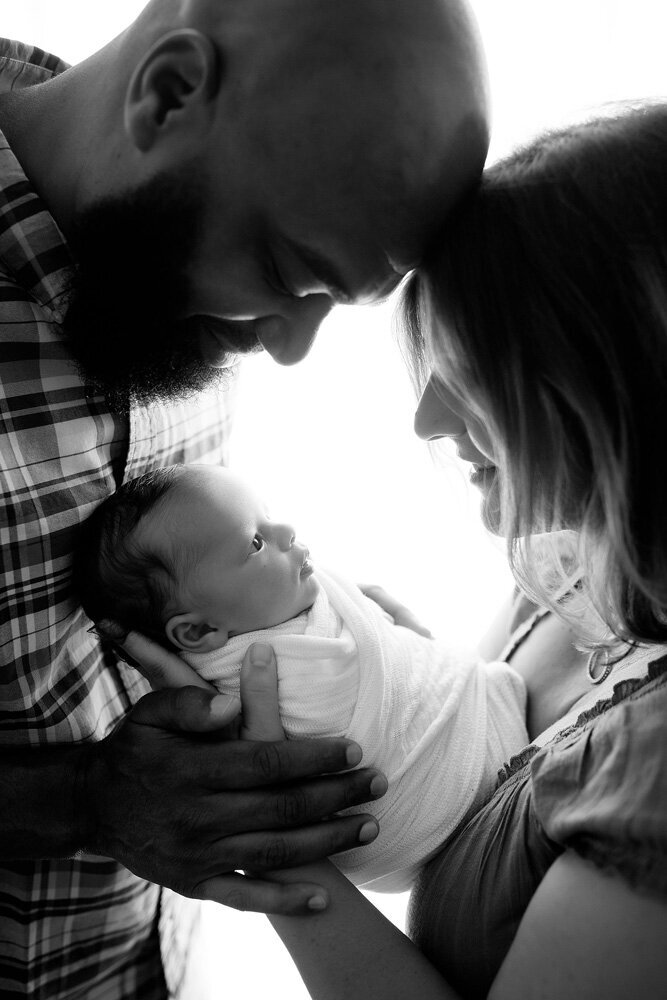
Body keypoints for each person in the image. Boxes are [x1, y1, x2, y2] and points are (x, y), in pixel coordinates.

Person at [0, 0, 491, 996]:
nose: (285, 346)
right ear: (169, 93)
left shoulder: (165, 277)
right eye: (281, 271)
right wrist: (86, 799)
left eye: (330, 300)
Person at [173, 104, 664, 999]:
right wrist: (405, 690)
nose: (426, 419)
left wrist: (272, 844)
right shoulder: (567, 570)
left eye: (472, 368)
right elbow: (476, 789)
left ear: (623, 370)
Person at [74, 462, 529, 891]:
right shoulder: (266, 674)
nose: (286, 532)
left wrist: (407, 658)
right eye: (255, 543)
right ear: (199, 630)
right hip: (434, 808)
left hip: (477, 759)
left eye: (268, 517)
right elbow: (331, 741)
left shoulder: (276, 609)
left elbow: (395, 668)